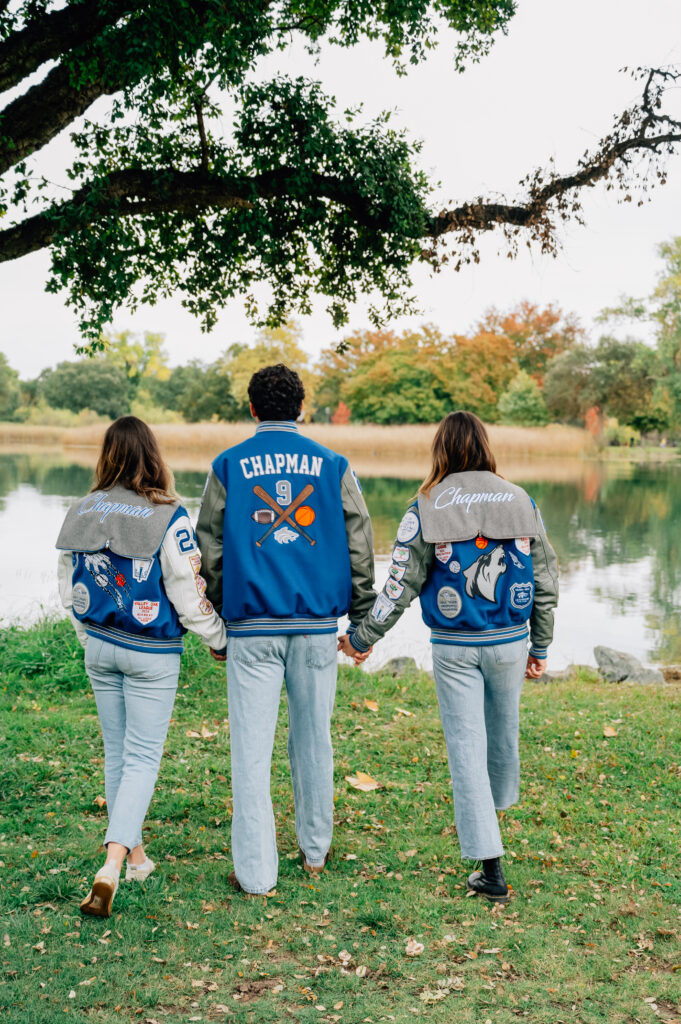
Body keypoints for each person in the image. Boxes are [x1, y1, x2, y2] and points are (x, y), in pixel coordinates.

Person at [340, 410, 559, 903]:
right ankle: (494, 820)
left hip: (456, 647)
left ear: (441, 449)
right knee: (502, 735)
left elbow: (399, 584)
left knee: (466, 746)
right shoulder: (522, 501)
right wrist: (540, 644)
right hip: (508, 641)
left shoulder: (426, 505)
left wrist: (363, 635)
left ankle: (491, 867)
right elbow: (545, 581)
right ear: (485, 446)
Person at [196, 363, 375, 895]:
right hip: (317, 625)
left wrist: (222, 618)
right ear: (302, 407)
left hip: (251, 626)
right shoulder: (333, 464)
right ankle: (315, 854)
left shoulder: (228, 465)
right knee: (313, 739)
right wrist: (363, 617)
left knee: (251, 749)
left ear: (252, 409)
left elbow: (209, 549)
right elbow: (360, 542)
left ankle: (255, 874)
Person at [56, 416, 226, 917]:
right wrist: (219, 640)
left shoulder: (81, 509)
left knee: (117, 754)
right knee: (142, 757)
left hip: (100, 645)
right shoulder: (168, 514)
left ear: (106, 455)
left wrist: (87, 636)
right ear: (153, 455)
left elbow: (68, 586)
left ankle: (137, 858)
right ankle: (112, 865)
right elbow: (188, 591)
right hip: (150, 652)